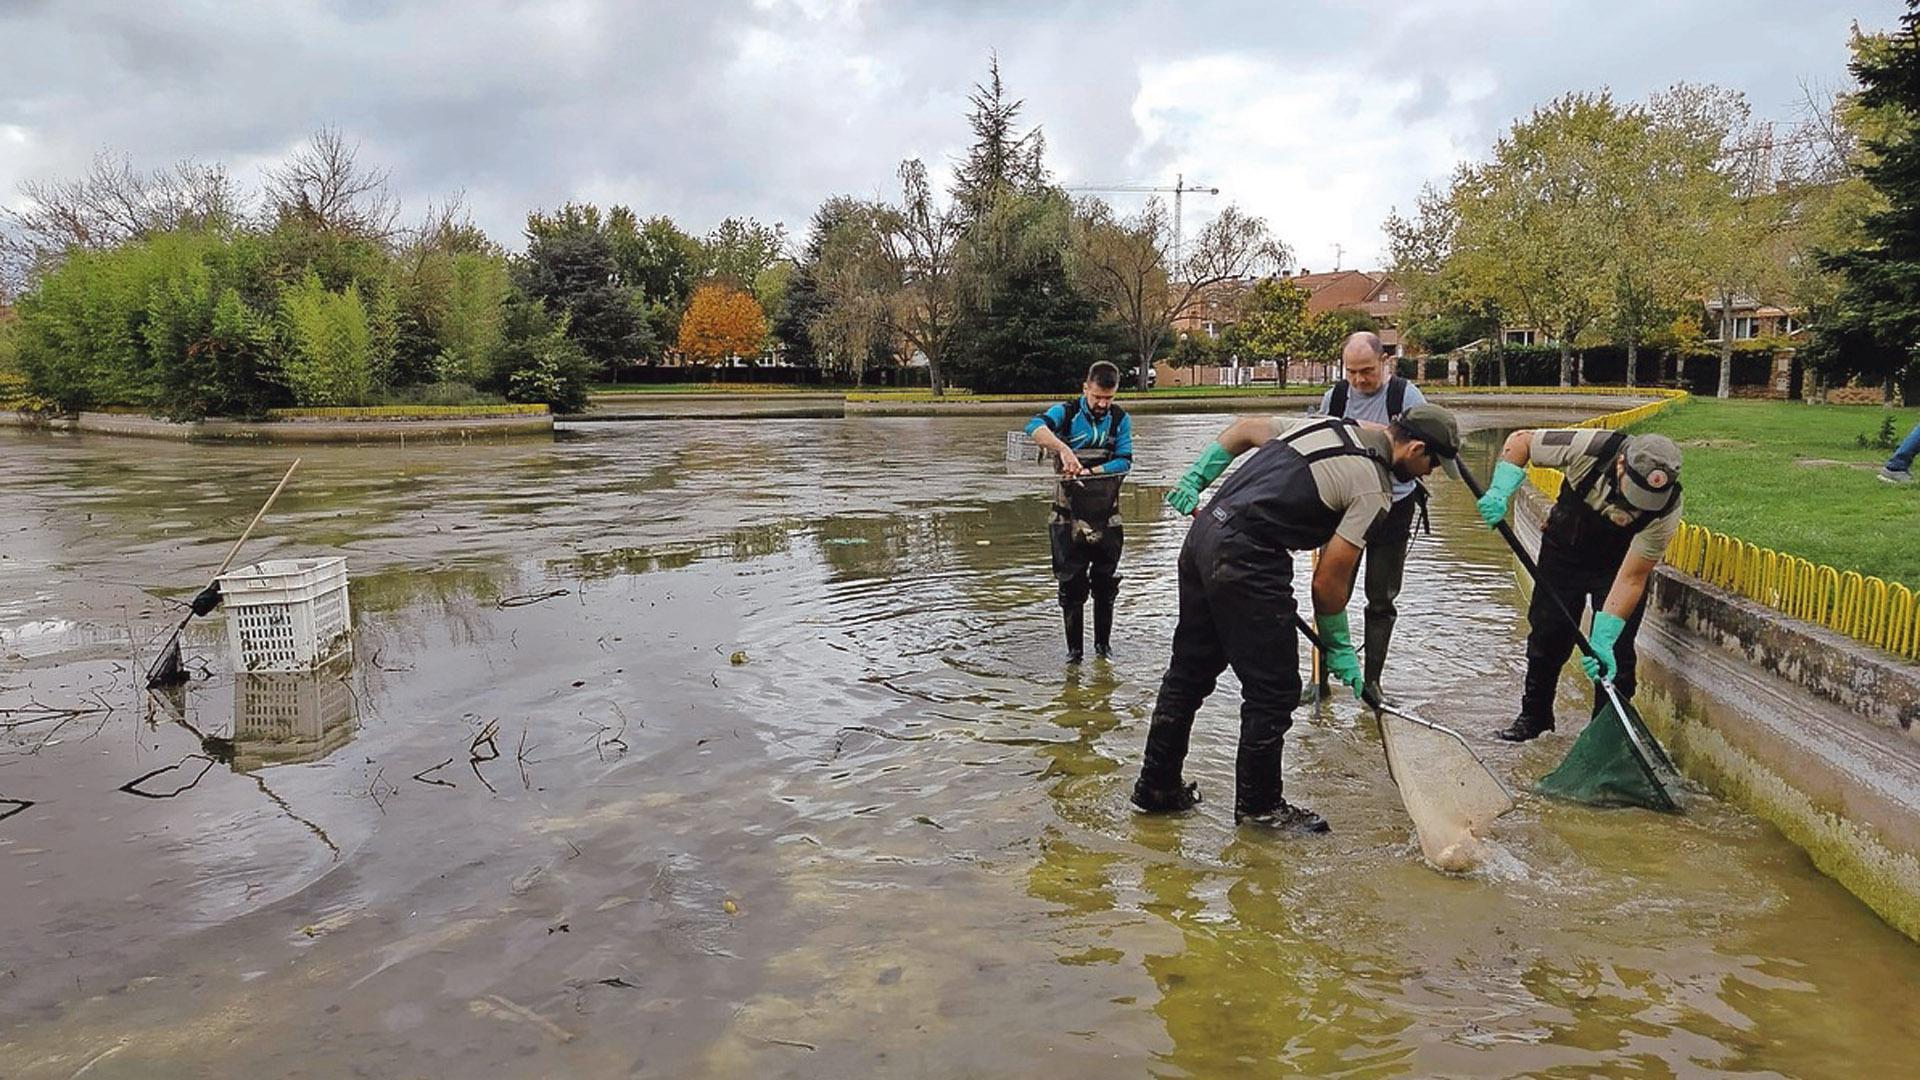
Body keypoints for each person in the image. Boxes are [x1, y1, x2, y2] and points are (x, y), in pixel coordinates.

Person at [1131, 403, 1462, 832]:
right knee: (1274, 691)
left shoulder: (1328, 427)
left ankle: (1156, 788)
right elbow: (1328, 581)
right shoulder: (1372, 489)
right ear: (1415, 448)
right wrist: (1340, 648)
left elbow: (1244, 429)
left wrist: (1198, 479)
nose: (1428, 474)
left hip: (1205, 536)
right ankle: (1260, 808)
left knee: (1188, 674)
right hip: (1246, 559)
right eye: (1431, 463)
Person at [1474, 428, 1683, 742]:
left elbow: (1633, 577)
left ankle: (1604, 737)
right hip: (1563, 553)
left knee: (1616, 657)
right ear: (1622, 465)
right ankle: (1534, 718)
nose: (1637, 503)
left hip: (1618, 566)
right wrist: (1499, 491)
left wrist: (1604, 636)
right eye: (1635, 491)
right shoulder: (1590, 447)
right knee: (1548, 636)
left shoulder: (1666, 508)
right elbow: (1521, 441)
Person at [1318, 332, 1427, 701]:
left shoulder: (1405, 398)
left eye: (1367, 371)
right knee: (1329, 592)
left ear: (1384, 362)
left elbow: (1427, 450)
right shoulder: (1334, 398)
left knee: (1381, 598)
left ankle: (1372, 683)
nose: (1359, 380)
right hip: (1344, 508)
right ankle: (1321, 680)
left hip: (1392, 508)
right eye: (1352, 372)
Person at [1025, 361, 1135, 663]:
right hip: (1065, 515)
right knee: (1070, 585)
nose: (1103, 404)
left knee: (1105, 582)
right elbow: (1033, 427)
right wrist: (1063, 449)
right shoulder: (1067, 413)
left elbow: (1125, 460)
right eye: (1098, 396)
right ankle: (1074, 653)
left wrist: (1091, 470)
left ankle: (1103, 649)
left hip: (1107, 515)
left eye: (1109, 398)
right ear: (1085, 387)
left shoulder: (1119, 419)